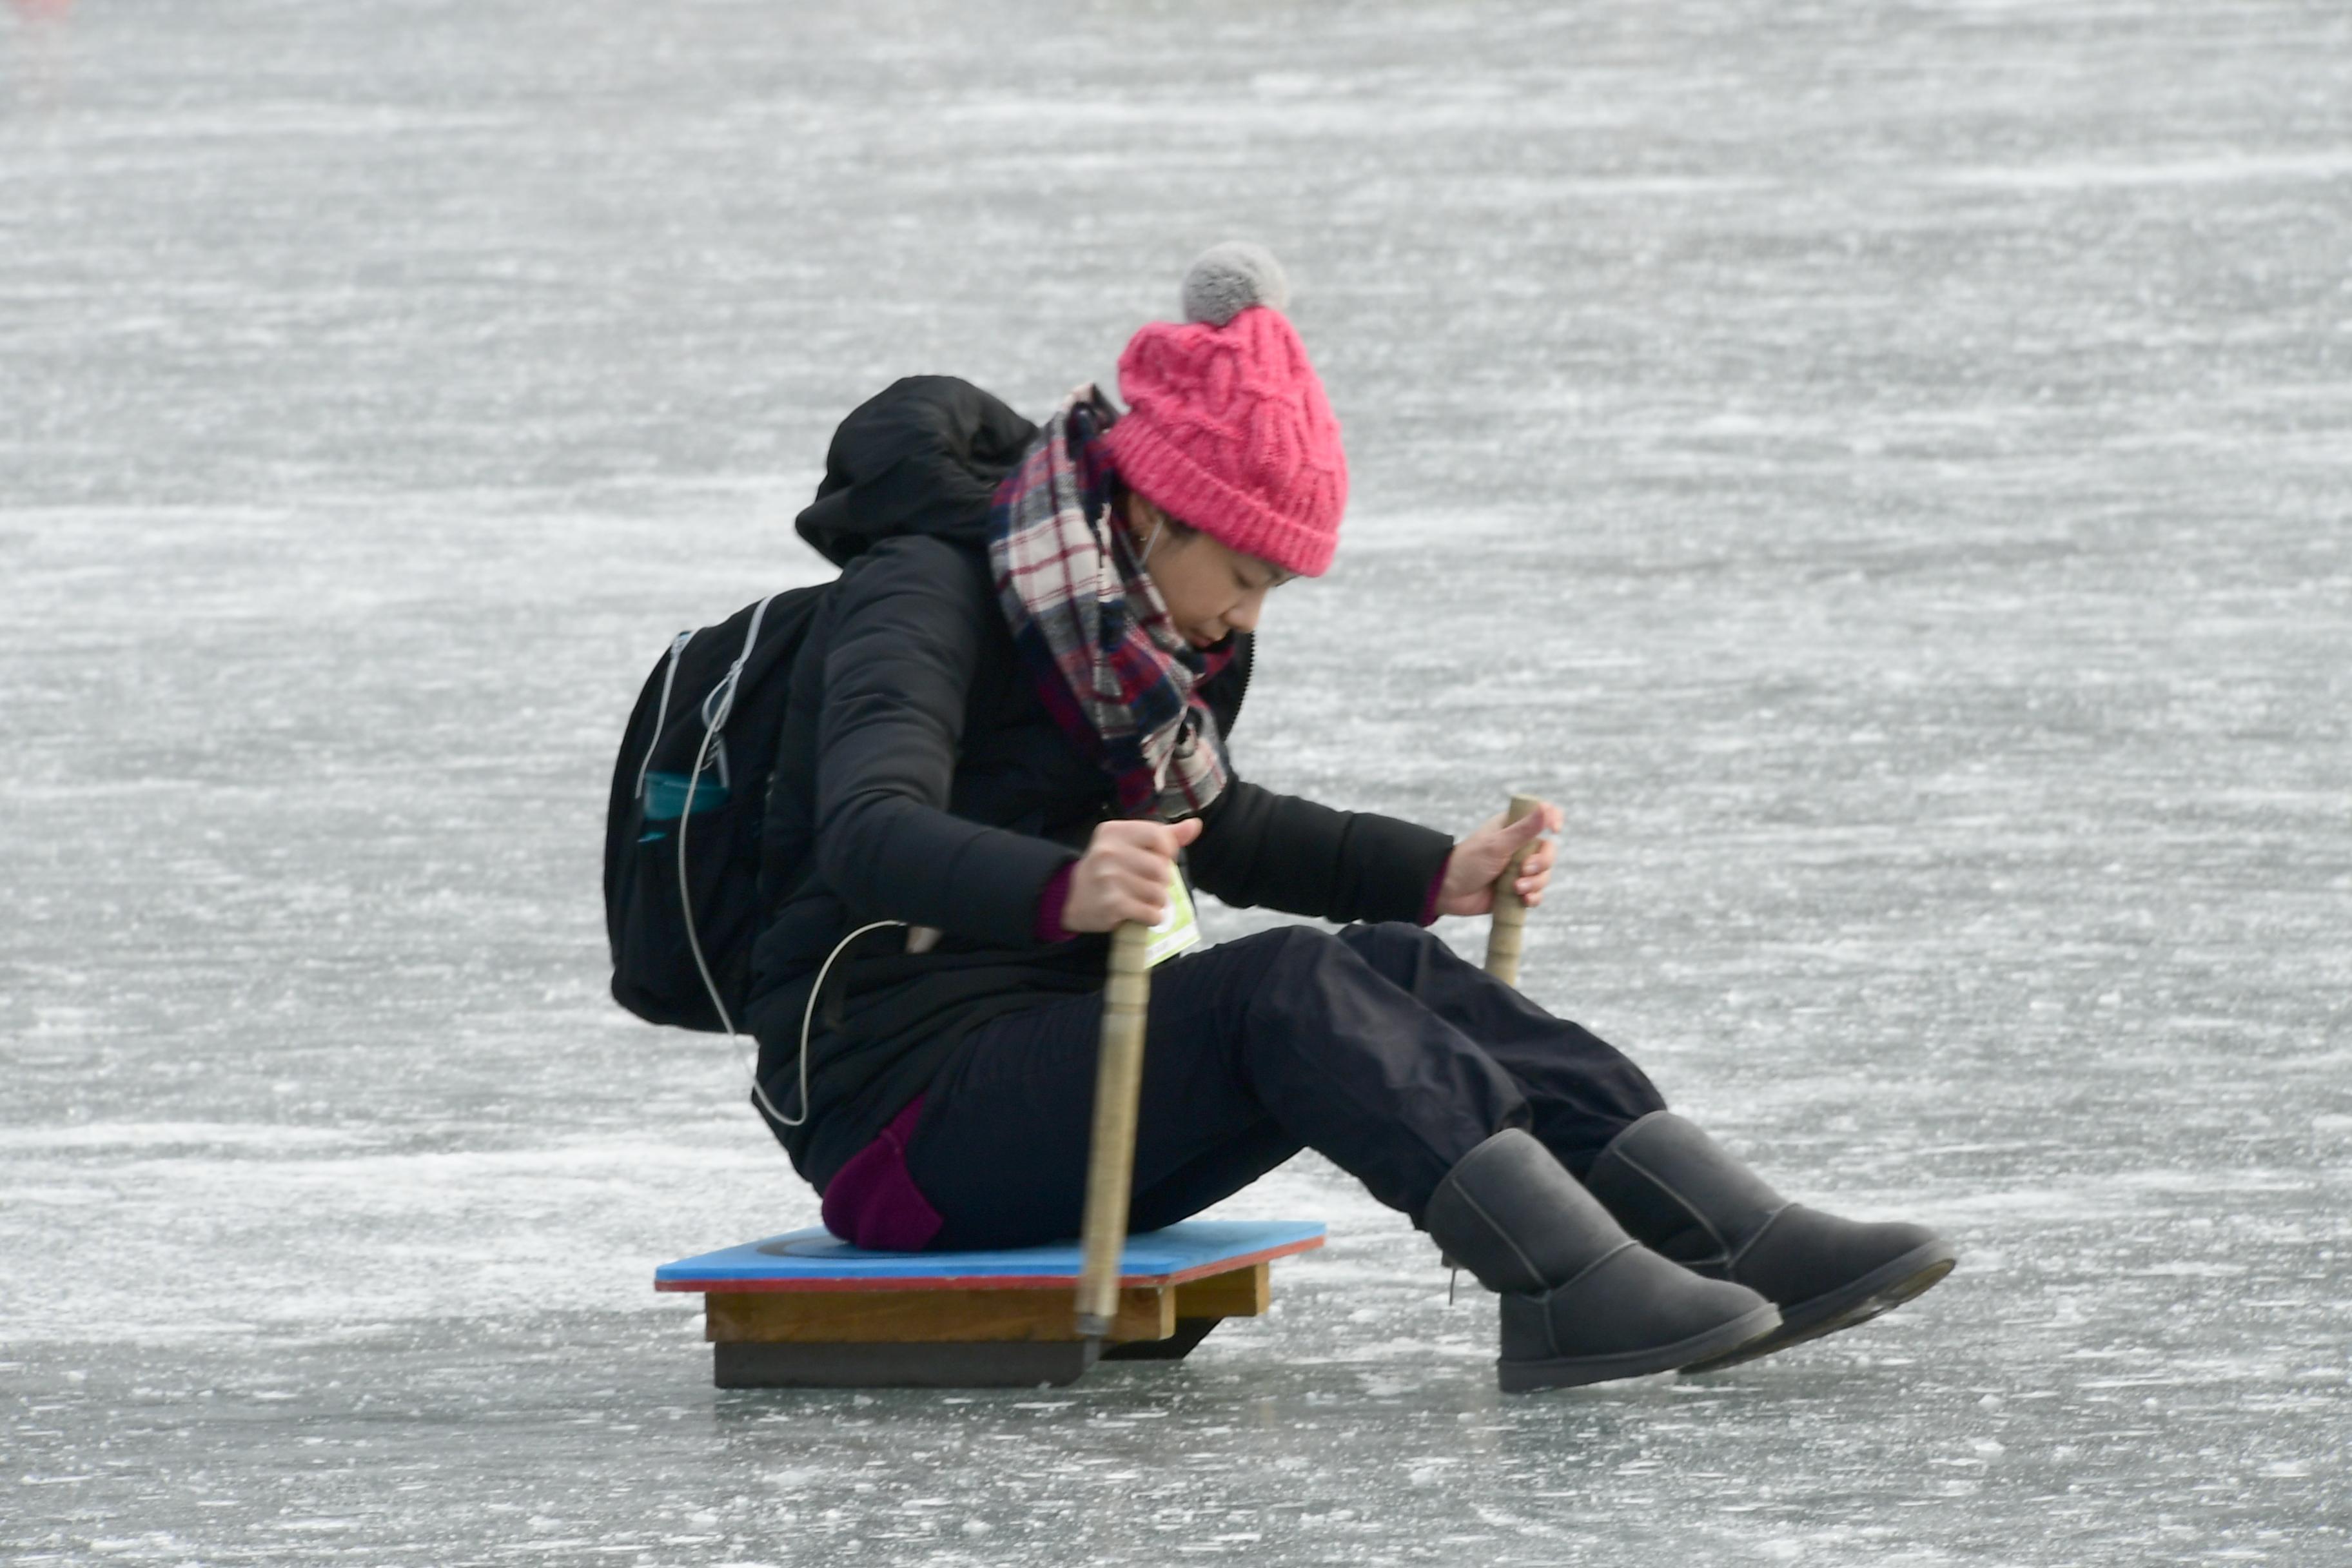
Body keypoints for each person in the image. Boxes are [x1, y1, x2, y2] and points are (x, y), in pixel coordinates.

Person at [743, 243, 1954, 1389]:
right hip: (902, 1123)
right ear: (1157, 511)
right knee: (1279, 989)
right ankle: (1562, 1286)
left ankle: (1727, 1231)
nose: (1251, 618)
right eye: (1250, 574)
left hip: (1069, 1082)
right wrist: (1056, 887)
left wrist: (1438, 874)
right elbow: (867, 827)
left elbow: (1220, 823)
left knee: (1387, 965)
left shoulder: (1133, 635)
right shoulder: (926, 592)